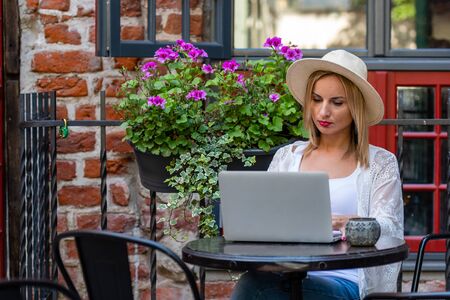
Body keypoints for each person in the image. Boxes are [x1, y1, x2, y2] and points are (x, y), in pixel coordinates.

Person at [231, 50, 404, 300]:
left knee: (253, 287)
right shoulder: (287, 157)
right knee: (257, 283)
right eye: (316, 99)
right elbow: (266, 220)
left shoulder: (380, 163)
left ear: (355, 107)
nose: (323, 112)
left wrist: (347, 222)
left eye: (337, 102)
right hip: (290, 273)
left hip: (347, 281)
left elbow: (390, 229)